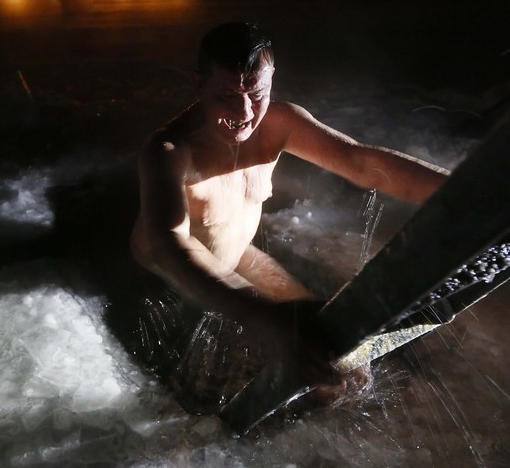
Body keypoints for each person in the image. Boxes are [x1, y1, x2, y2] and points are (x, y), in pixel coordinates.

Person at [129, 22, 452, 400]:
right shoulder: (169, 151)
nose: (245, 112)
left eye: (256, 92)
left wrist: (462, 190)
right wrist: (266, 318)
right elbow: (170, 244)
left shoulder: (279, 123)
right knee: (283, 373)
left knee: (340, 363)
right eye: (228, 95)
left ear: (272, 80)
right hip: (172, 288)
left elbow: (360, 162)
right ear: (199, 84)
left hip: (244, 258)